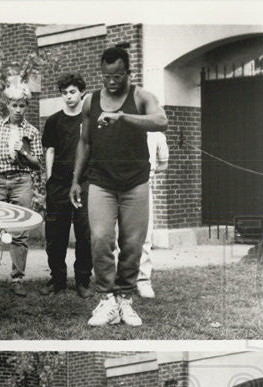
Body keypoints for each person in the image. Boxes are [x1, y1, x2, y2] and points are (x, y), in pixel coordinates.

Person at [70, 46, 168, 327]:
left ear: (128, 72)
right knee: (100, 238)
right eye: (107, 76)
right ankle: (107, 300)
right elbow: (85, 142)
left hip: (135, 181)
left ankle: (125, 298)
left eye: (118, 76)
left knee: (132, 243)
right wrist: (76, 180)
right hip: (101, 181)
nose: (112, 81)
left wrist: (123, 117)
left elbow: (162, 120)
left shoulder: (141, 96)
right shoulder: (91, 101)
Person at [0, 83, 44, 297]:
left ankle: (17, 279)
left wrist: (24, 153)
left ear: (27, 106)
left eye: (22, 105)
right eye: (14, 105)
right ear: (8, 105)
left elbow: (37, 163)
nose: (18, 109)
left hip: (22, 182)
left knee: (19, 232)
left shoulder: (31, 131)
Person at [43, 73, 92, 297]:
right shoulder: (53, 121)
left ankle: (83, 280)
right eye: (64, 93)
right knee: (56, 235)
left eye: (72, 92)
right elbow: (50, 150)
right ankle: (58, 280)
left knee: (85, 233)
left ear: (82, 92)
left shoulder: (89, 119)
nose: (68, 97)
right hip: (59, 185)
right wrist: (50, 178)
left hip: (85, 183)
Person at [136, 131, 170, 298]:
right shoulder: (123, 126)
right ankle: (121, 280)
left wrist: (147, 172)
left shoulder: (157, 135)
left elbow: (164, 164)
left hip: (143, 186)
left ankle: (143, 280)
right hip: (120, 186)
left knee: (145, 235)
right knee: (118, 235)